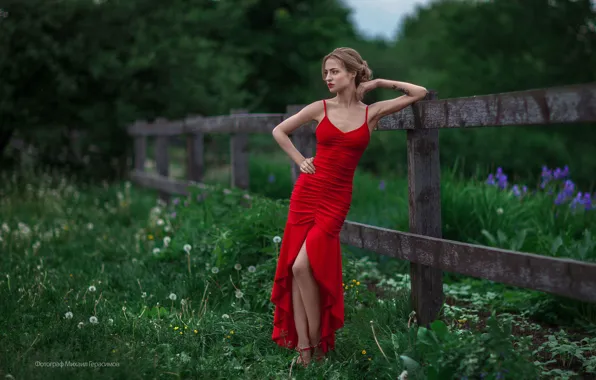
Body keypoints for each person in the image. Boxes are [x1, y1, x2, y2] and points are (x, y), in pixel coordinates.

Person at [270, 47, 428, 368]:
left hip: (337, 199)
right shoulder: (320, 108)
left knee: (305, 266)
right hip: (308, 192)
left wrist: (380, 81)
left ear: (353, 73)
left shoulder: (371, 113)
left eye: (335, 71)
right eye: (326, 72)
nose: (328, 77)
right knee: (296, 267)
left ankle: (314, 343)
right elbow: (280, 130)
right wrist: (301, 161)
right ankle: (304, 351)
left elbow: (419, 92)